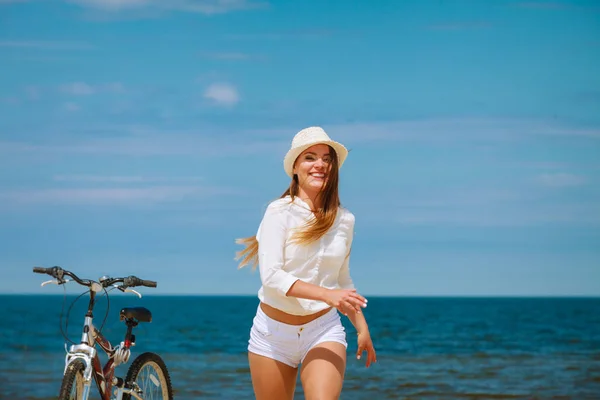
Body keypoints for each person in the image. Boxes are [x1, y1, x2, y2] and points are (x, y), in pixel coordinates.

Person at [235, 126, 377, 400]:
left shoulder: (345, 220)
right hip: (272, 333)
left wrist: (362, 327)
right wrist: (328, 295)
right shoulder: (279, 212)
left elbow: (342, 280)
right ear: (295, 167)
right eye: (310, 157)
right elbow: (273, 277)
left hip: (322, 328)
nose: (320, 164)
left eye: (327, 159)